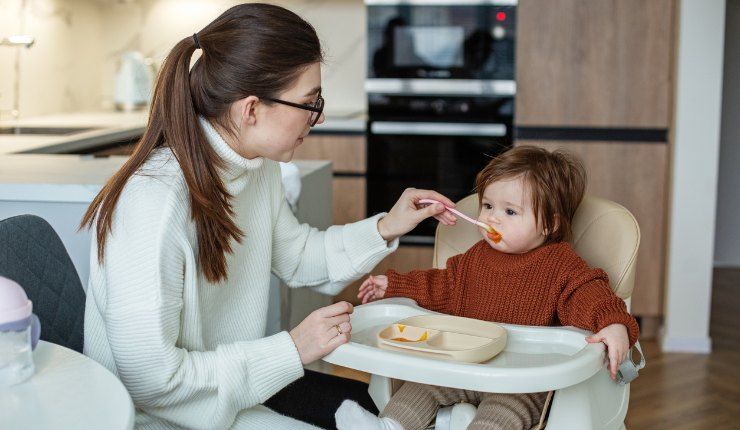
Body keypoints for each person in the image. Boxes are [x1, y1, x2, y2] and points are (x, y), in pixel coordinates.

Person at [79, 4, 457, 429]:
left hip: (230, 396)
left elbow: (299, 258)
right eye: (308, 102)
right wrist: (292, 349)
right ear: (251, 109)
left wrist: (389, 224)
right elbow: (151, 382)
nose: (318, 116)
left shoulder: (256, 168)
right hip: (156, 417)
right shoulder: (154, 201)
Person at [335, 146, 640, 430]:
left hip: (520, 382)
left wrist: (613, 324)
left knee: (503, 414)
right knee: (420, 386)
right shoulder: (475, 258)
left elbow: (590, 295)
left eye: (510, 212)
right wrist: (395, 285)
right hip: (464, 366)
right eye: (488, 205)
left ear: (549, 225)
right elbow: (442, 286)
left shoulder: (560, 265)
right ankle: (388, 426)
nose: (492, 217)